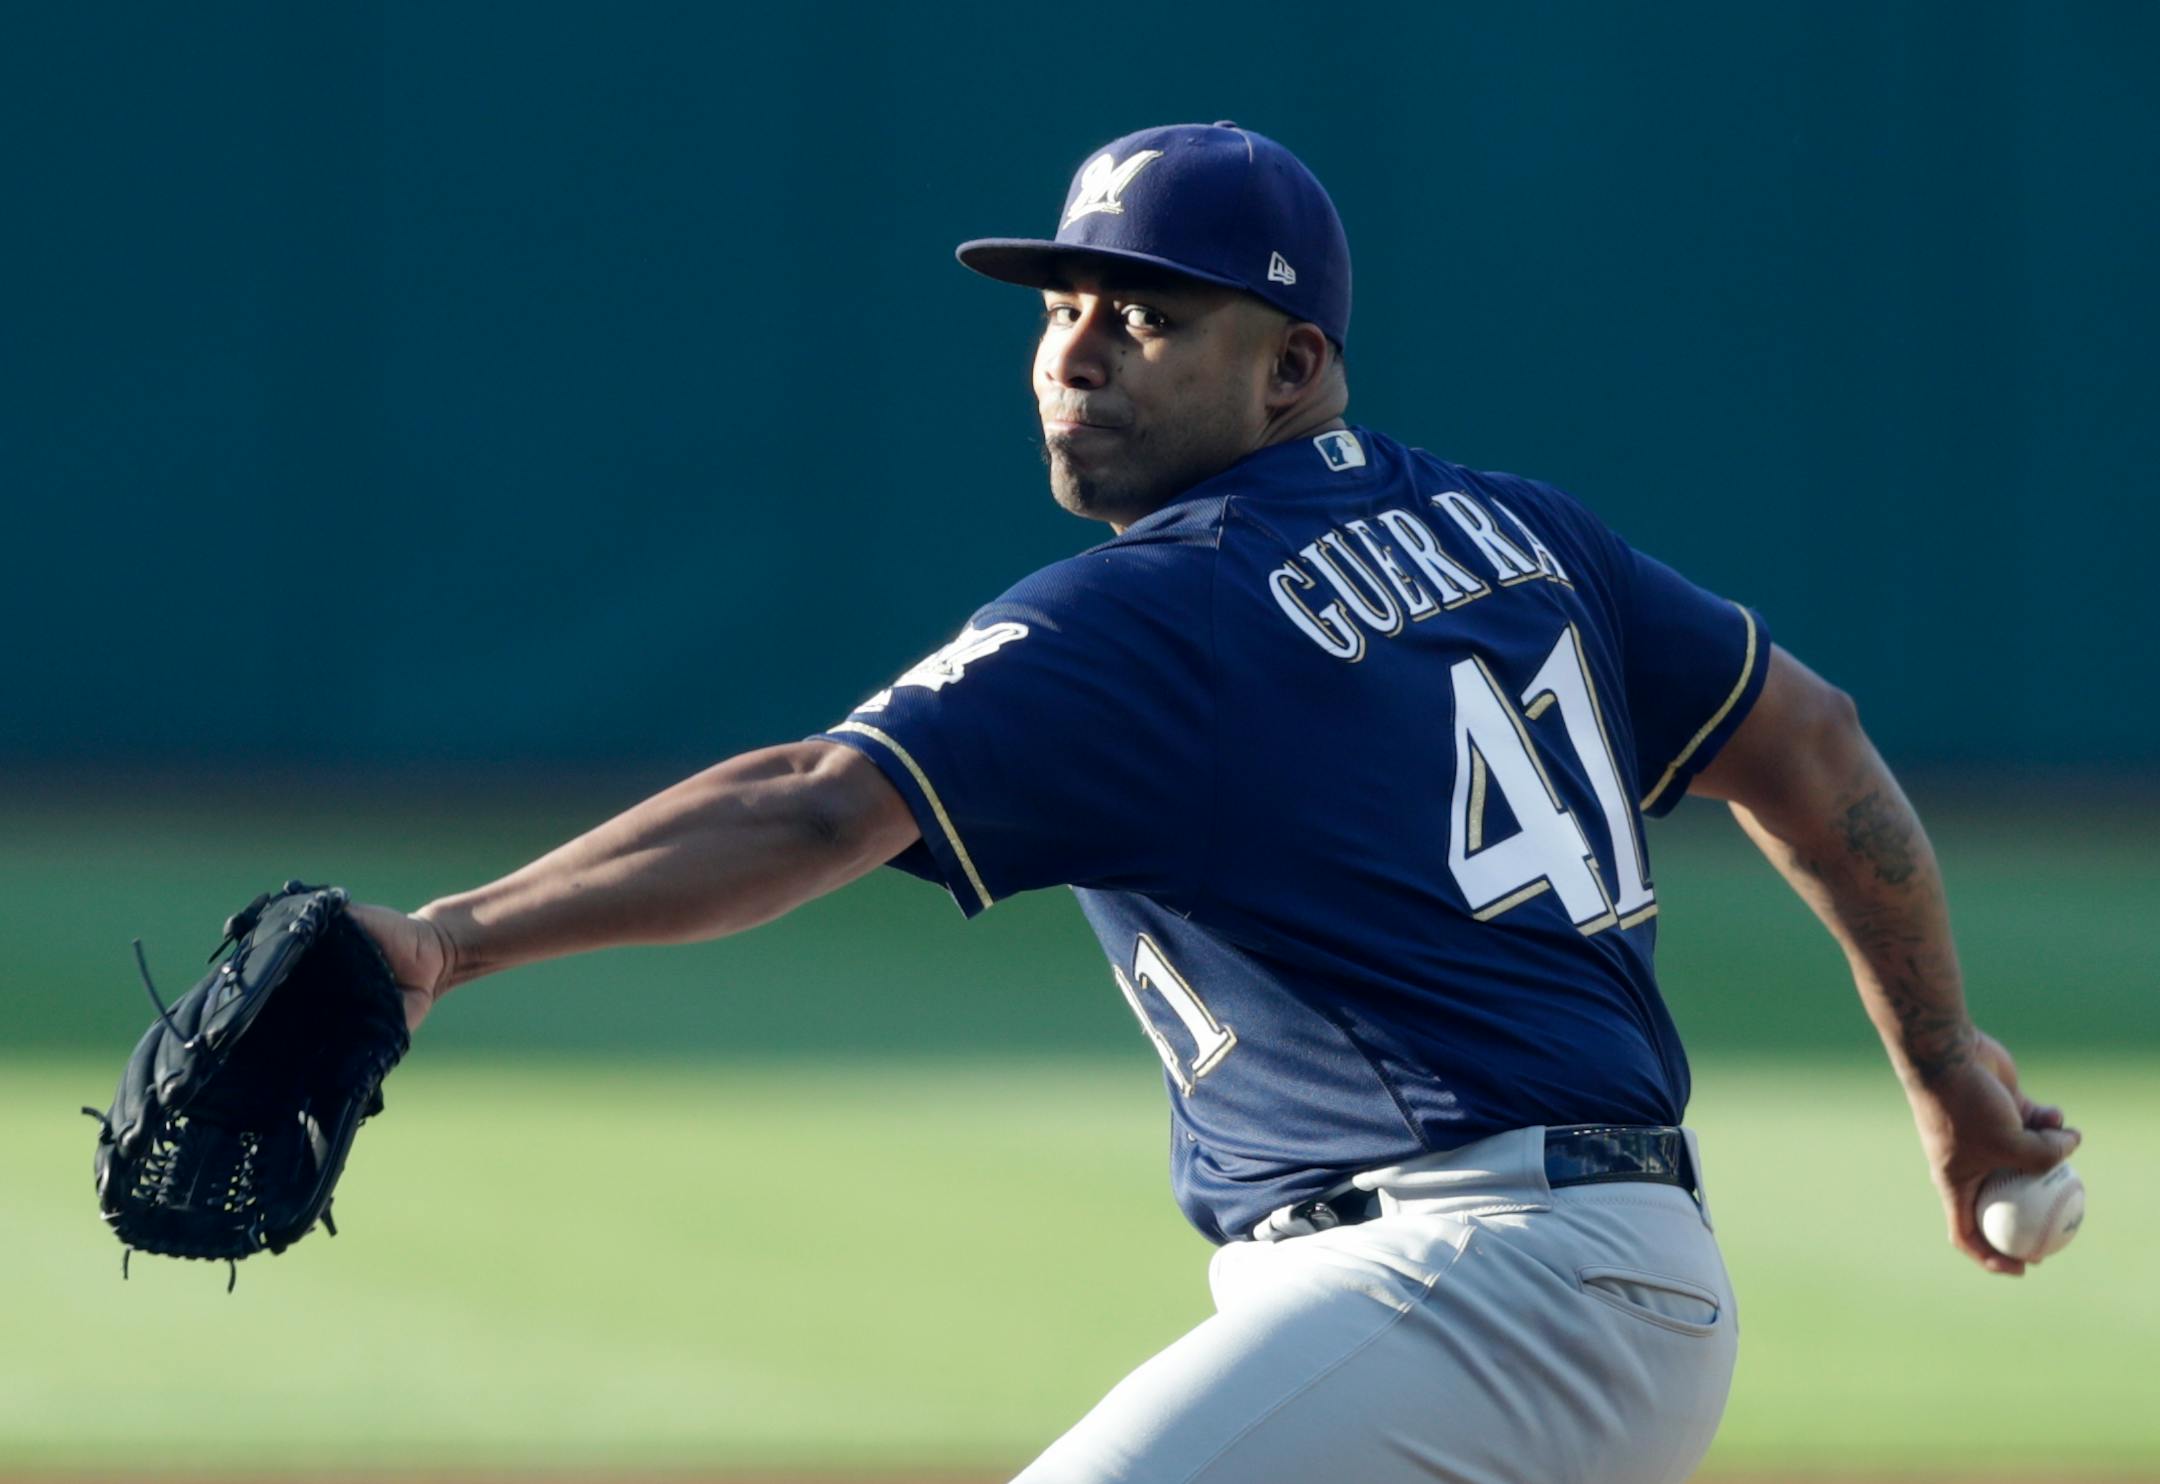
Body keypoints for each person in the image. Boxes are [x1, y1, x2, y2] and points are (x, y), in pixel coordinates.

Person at [350, 123, 2080, 1483]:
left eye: (1150, 314)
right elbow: (1818, 745)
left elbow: (810, 807)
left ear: (1294, 365)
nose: (1079, 351)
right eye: (1062, 307)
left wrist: (442, 943)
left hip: (1469, 1287)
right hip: (1596, 1287)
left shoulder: (1158, 609)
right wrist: (1944, 1066)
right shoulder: (1520, 530)